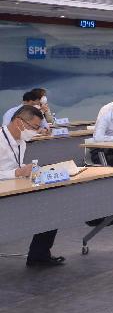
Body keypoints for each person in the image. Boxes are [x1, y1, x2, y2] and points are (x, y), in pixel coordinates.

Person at [1, 106, 65, 267]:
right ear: (19, 122)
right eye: (34, 127)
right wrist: (17, 172)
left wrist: (26, 169)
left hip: (14, 189)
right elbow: (12, 171)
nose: (36, 132)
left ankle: (39, 255)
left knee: (51, 206)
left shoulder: (21, 142)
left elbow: (13, 166)